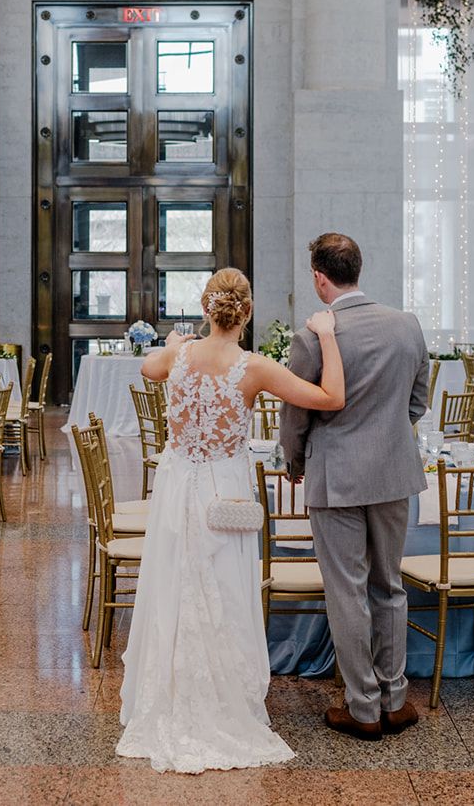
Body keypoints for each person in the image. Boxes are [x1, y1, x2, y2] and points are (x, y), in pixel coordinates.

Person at [116, 267, 346, 774]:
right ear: (246, 312)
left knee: (176, 589)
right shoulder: (254, 368)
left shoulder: (177, 356)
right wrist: (327, 338)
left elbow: (146, 367)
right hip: (224, 490)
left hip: (177, 489)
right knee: (222, 590)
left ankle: (171, 697)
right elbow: (331, 398)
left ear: (207, 308)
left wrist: (179, 339)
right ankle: (221, 702)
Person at [278, 232, 431, 741]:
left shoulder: (313, 335)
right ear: (357, 270)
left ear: (321, 278)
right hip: (393, 475)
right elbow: (418, 400)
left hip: (336, 478)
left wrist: (296, 460)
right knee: (389, 586)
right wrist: (389, 434)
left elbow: (296, 414)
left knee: (347, 592)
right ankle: (395, 699)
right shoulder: (406, 325)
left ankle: (362, 707)